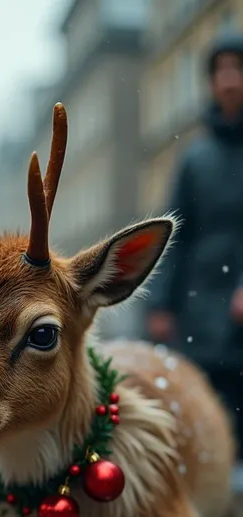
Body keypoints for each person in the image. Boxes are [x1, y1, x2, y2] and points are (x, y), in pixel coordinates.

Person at [146, 31, 243, 493]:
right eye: (220, 70)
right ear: (210, 82)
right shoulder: (195, 158)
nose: (229, 79)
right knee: (206, 410)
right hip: (200, 310)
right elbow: (174, 235)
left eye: (237, 69)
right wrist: (160, 305)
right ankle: (216, 504)